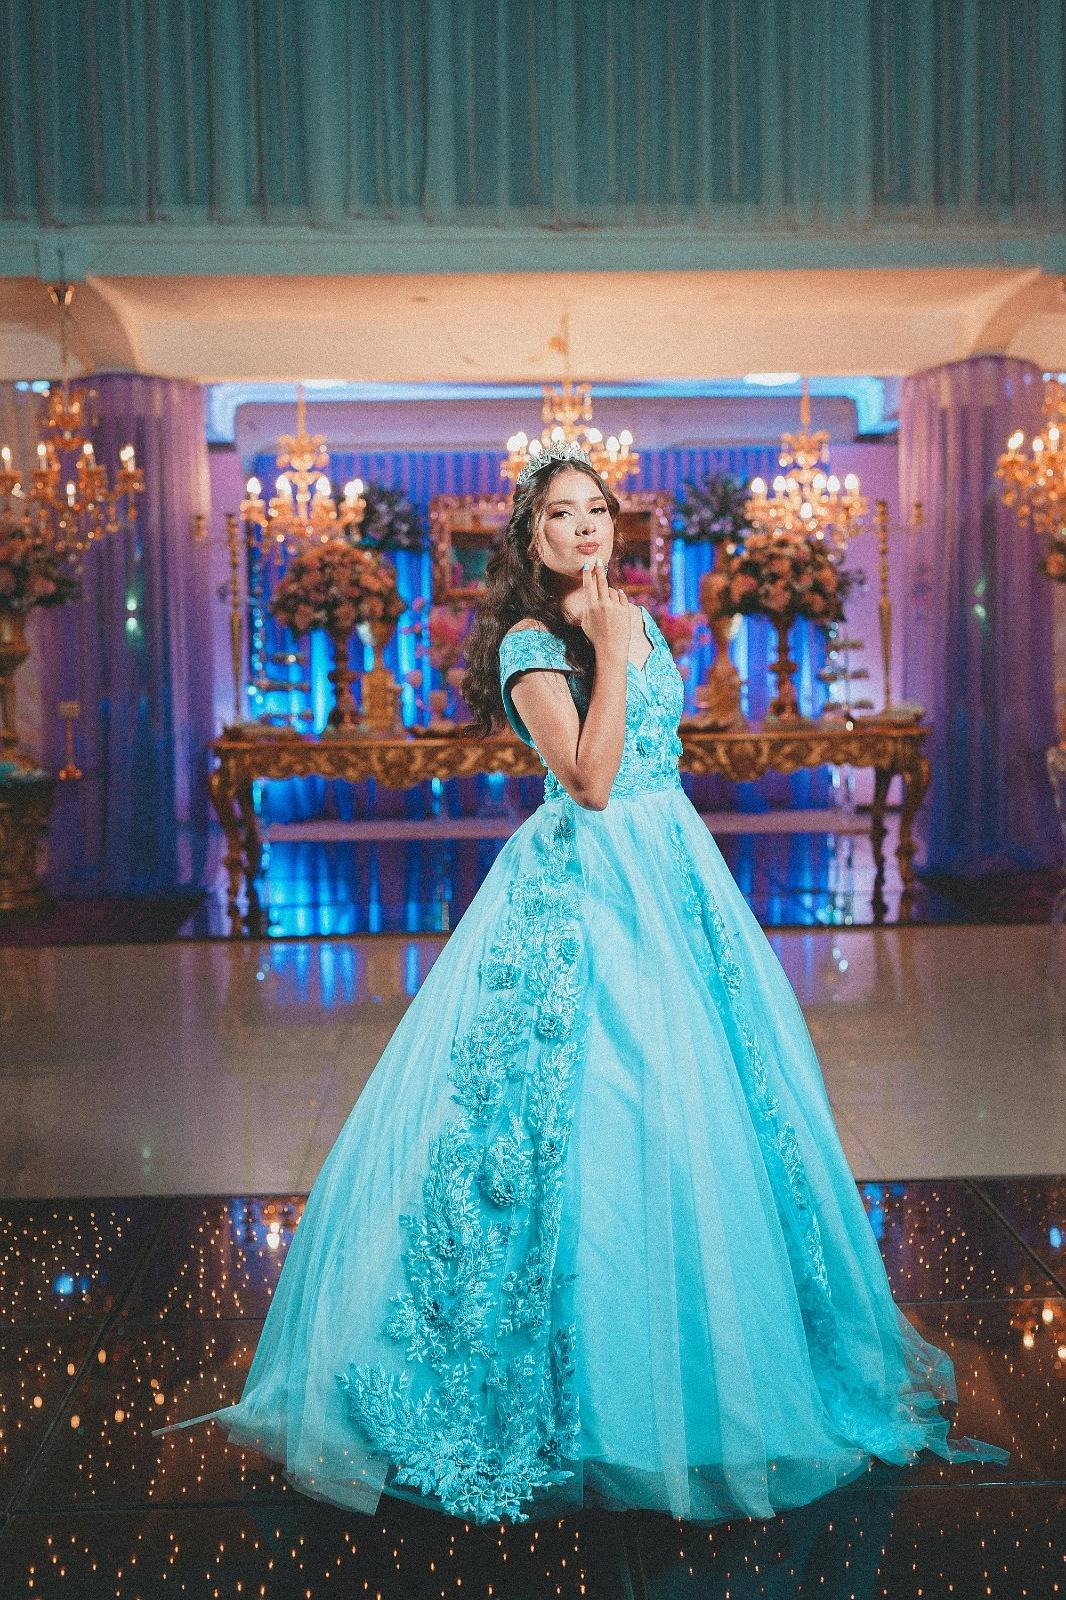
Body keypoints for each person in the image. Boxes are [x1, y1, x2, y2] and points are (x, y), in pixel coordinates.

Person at [154, 439, 1009, 1527]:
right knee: (574, 1104)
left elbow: (660, 758)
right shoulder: (531, 641)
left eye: (595, 508)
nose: (583, 527)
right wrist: (603, 649)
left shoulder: (638, 619)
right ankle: (560, 1385)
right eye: (559, 513)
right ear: (530, 536)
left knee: (706, 1103)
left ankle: (714, 1363)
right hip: (583, 884)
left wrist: (621, 640)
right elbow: (593, 781)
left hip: (672, 870)